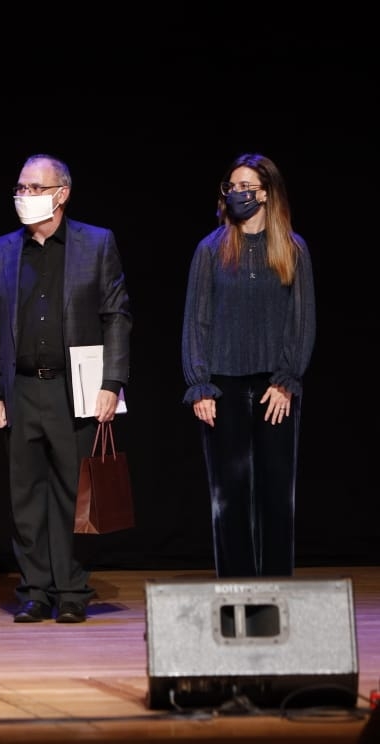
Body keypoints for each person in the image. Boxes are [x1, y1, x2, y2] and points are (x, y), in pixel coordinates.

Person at [0, 153, 132, 624]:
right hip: (20, 390)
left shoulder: (96, 244)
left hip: (75, 389)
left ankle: (72, 590)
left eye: (34, 188)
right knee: (26, 496)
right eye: (20, 188)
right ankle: (35, 590)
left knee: (73, 492)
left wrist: (112, 383)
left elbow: (116, 316)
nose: (24, 196)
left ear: (61, 194)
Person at [181, 153, 316, 578]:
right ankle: (237, 590)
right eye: (231, 187)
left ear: (266, 193)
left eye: (246, 187)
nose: (237, 194)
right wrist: (200, 384)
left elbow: (302, 318)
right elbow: (196, 320)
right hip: (223, 385)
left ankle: (277, 588)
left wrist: (288, 379)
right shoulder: (211, 250)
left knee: (277, 494)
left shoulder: (292, 249)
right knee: (229, 494)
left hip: (274, 386)